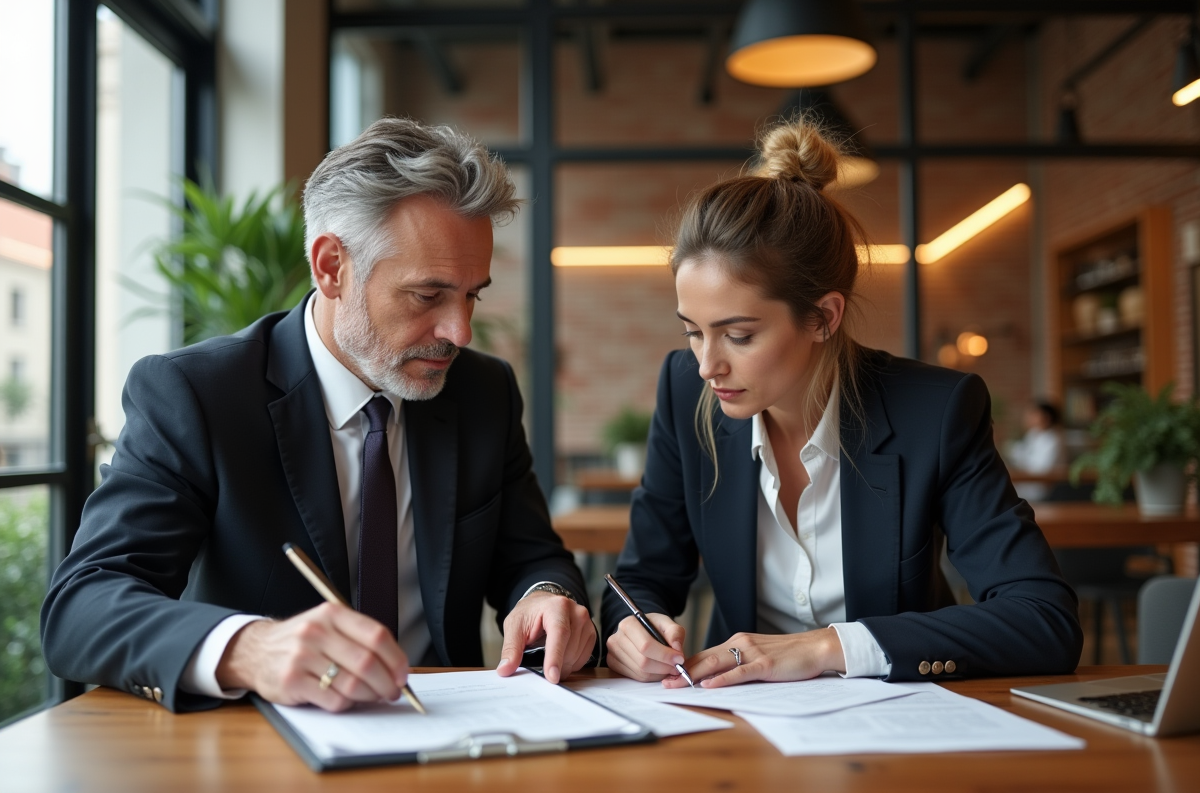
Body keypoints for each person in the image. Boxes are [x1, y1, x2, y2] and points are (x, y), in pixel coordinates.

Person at [41, 118, 595, 713]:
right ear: (331, 267)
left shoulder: (484, 391)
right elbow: (82, 605)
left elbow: (532, 556)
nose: (459, 332)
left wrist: (545, 595)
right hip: (258, 748)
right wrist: (249, 649)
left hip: (452, 729)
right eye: (427, 295)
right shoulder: (196, 395)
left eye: (472, 295)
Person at [601, 118, 1082, 688]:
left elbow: (1043, 620)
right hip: (745, 728)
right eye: (693, 331)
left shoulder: (935, 411)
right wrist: (636, 629)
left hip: (901, 727)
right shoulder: (686, 393)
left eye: (740, 335)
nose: (708, 365)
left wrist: (830, 647)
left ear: (824, 317)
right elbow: (639, 579)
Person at [1007, 400, 1066, 502]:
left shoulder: (1054, 440)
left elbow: (1042, 470)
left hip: (1042, 489)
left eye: (1034, 413)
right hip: (1025, 483)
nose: (1029, 417)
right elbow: (1021, 453)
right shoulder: (1033, 433)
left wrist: (1022, 465)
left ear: (1046, 417)